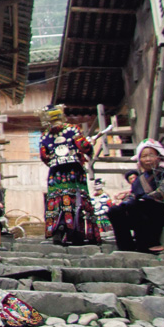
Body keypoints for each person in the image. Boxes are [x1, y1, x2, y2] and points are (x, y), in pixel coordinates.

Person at [38, 105, 100, 246]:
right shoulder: (72, 129)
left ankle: (58, 229)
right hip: (74, 170)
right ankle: (77, 232)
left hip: (56, 172)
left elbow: (44, 156)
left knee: (58, 200)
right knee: (76, 199)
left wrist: (55, 163)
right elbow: (83, 146)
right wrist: (90, 146)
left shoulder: (45, 135)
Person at [107, 140, 164, 253]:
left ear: (159, 157)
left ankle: (147, 244)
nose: (148, 159)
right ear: (139, 160)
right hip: (141, 213)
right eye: (144, 156)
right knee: (114, 210)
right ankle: (126, 246)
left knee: (134, 205)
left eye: (151, 155)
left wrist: (142, 199)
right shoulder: (138, 180)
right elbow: (133, 196)